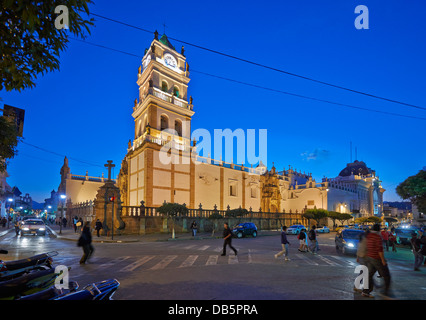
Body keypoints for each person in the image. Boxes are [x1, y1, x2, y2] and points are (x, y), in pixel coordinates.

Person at [362, 224, 391, 298]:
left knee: (369, 274)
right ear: (378, 229)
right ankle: (386, 292)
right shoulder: (377, 237)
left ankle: (365, 291)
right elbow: (380, 250)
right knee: (386, 275)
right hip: (376, 258)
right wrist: (383, 260)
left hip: (369, 257)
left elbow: (365, 246)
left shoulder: (368, 236)